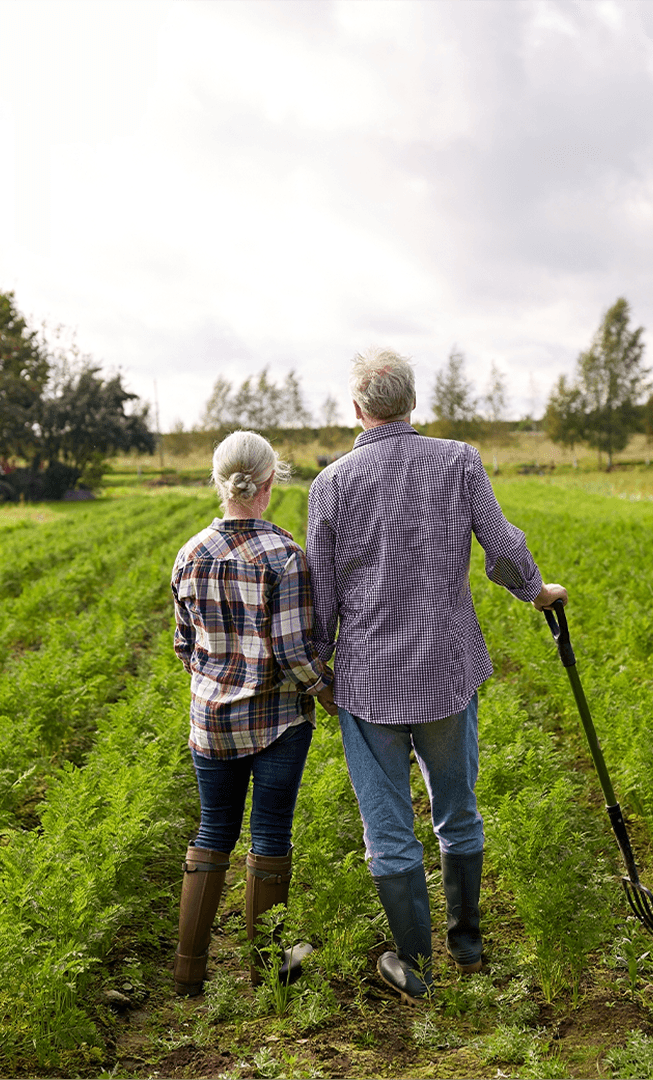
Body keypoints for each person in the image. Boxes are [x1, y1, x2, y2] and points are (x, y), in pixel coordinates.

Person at [307, 348, 567, 1003]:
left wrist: (317, 669)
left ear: (357, 409)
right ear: (412, 402)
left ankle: (415, 965)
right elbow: (503, 546)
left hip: (368, 679)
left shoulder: (331, 484)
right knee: (458, 809)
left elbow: (319, 592)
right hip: (446, 668)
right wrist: (534, 593)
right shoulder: (458, 461)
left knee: (388, 830)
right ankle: (469, 946)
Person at [170, 430, 335, 996]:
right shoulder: (285, 555)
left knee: (213, 829)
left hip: (209, 721)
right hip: (277, 723)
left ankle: (189, 969)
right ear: (271, 483)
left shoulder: (190, 552)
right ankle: (267, 972)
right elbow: (292, 653)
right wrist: (324, 690)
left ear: (219, 482)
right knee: (269, 835)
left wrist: (216, 678)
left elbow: (184, 645)